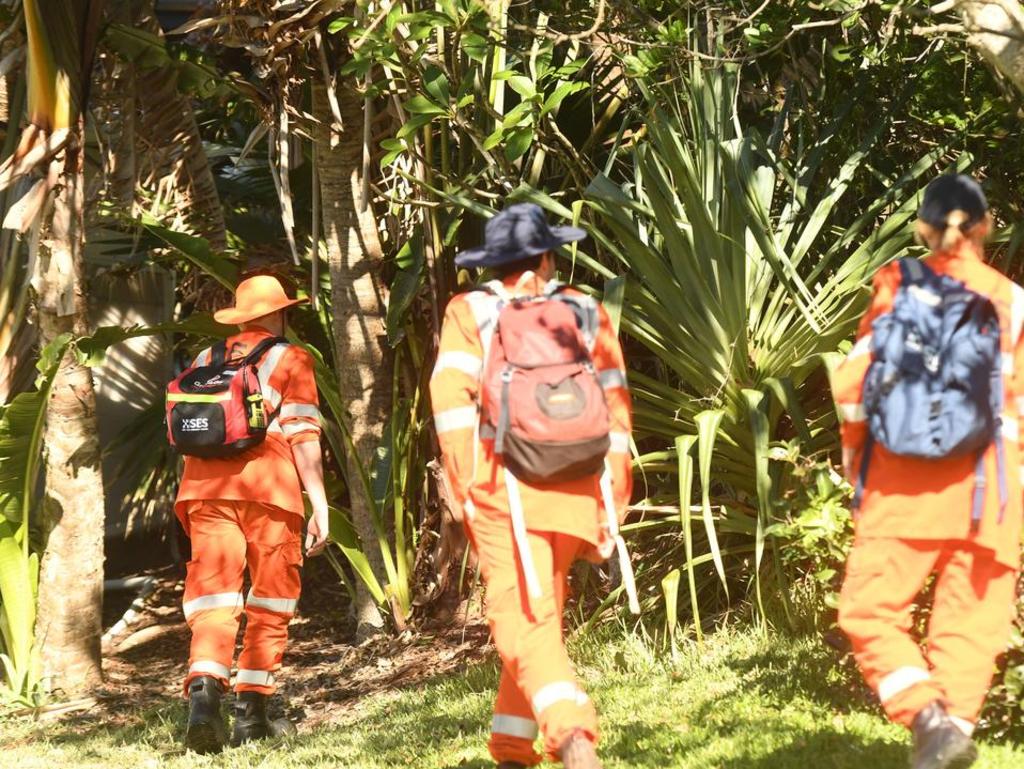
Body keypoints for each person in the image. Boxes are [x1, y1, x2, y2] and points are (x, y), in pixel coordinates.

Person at [430, 203, 634, 769]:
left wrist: (467, 489)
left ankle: (573, 739)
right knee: (537, 618)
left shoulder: (470, 310)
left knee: (520, 620)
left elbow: (450, 405)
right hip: (578, 488)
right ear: (547, 256)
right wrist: (611, 505)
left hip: (506, 490)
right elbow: (616, 409)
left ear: (495, 264)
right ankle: (514, 751)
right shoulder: (585, 310)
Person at [832, 175, 1023, 769]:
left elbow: (854, 382)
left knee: (868, 611)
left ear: (921, 228)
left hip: (901, 482)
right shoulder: (1013, 303)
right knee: (972, 626)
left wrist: (852, 451)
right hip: (992, 489)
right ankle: (949, 733)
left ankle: (929, 720)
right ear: (987, 227)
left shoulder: (897, 284)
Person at [174, 274, 329, 753]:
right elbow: (303, 434)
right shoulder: (292, 358)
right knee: (272, 598)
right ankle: (252, 713)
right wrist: (318, 501)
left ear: (241, 317)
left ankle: (203, 696)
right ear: (280, 312)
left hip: (202, 489)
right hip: (269, 491)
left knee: (213, 597)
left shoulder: (204, 361)